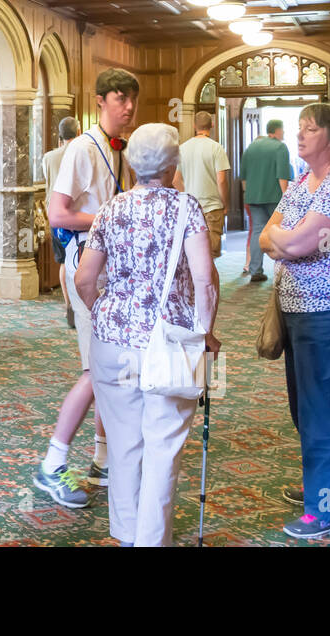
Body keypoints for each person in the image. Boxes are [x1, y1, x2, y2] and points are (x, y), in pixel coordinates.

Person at [74, 123, 221, 546]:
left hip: (112, 342)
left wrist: (104, 311)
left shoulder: (111, 208)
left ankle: (125, 536)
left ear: (133, 163)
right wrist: (205, 334)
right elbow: (205, 281)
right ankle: (152, 541)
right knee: (163, 449)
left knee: (122, 448)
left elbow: (85, 278)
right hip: (172, 341)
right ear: (174, 164)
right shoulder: (187, 208)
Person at [259, 103, 330, 540]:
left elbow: (300, 241)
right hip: (301, 310)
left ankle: (327, 512)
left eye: (309, 129)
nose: (300, 135)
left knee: (323, 408)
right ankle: (321, 487)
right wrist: (281, 240)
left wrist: (284, 241)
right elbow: (273, 229)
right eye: (299, 128)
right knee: (305, 407)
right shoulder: (306, 180)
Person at [33, 68, 138, 507]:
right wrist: (109, 220)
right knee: (97, 370)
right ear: (99, 101)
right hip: (87, 270)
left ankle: (102, 459)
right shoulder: (81, 148)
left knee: (107, 368)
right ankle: (51, 465)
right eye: (119, 98)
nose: (128, 106)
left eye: (133, 98)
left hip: (112, 267)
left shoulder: (121, 150)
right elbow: (58, 215)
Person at [240, 119, 293, 284]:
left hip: (253, 196)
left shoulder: (252, 147)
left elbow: (243, 176)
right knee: (282, 232)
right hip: (274, 197)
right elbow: (282, 175)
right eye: (283, 130)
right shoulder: (280, 147)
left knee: (257, 231)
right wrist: (286, 199)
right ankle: (286, 272)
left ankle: (256, 270)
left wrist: (247, 193)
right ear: (277, 131)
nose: (283, 133)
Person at [42, 117, 82, 328]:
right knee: (82, 260)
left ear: (60, 135)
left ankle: (69, 306)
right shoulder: (82, 154)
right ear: (78, 131)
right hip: (77, 215)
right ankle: (82, 305)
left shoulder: (48, 157)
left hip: (55, 215)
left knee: (64, 261)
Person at [173, 111, 229, 257]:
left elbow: (175, 180)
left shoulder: (182, 148)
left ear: (194, 126)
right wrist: (225, 203)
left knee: (194, 254)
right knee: (211, 254)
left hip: (191, 208)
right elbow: (221, 180)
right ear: (212, 125)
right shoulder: (216, 148)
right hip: (212, 207)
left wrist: (187, 196)